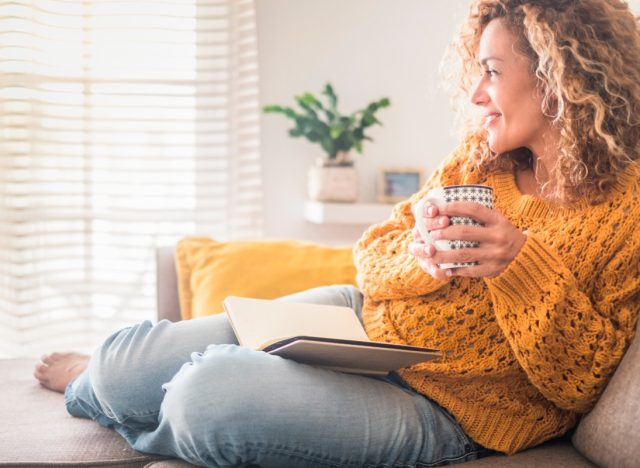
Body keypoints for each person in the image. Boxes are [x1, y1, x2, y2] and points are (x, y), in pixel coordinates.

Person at [34, 0, 640, 466]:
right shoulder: (481, 162)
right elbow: (371, 256)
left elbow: (582, 382)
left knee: (207, 398)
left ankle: (158, 404)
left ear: (559, 77)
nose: (476, 93)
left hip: (449, 408)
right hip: (356, 323)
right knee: (119, 363)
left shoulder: (627, 210)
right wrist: (418, 251)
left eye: (491, 72)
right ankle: (105, 386)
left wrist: (519, 267)